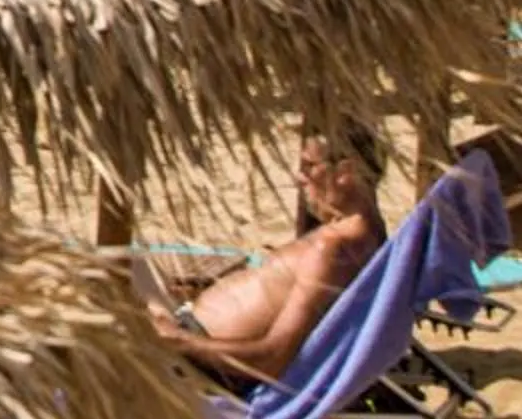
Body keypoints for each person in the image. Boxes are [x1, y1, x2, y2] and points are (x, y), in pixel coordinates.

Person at [147, 124, 386, 388]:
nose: (300, 177)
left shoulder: (334, 247)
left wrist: (176, 339)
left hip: (195, 363)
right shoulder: (366, 237)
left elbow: (273, 357)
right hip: (190, 338)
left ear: (345, 171)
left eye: (308, 166)